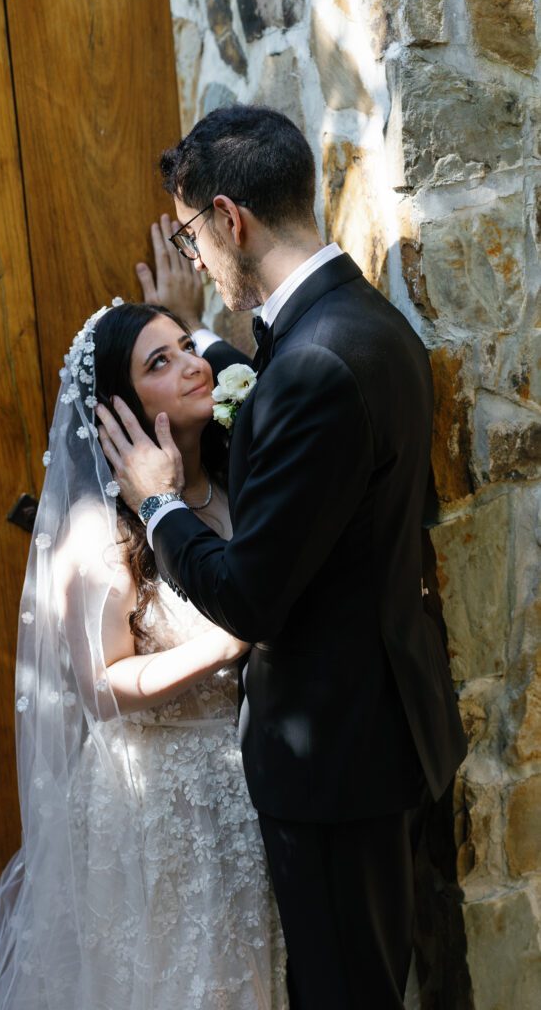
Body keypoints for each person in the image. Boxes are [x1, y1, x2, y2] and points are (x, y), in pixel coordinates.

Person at [97, 104, 468, 1010]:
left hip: (333, 768)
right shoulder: (370, 325)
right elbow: (291, 398)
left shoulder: (311, 367)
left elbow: (251, 598)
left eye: (192, 234)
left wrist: (154, 505)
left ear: (231, 220)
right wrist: (203, 341)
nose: (195, 257)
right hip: (384, 737)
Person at [0, 300, 287, 1009]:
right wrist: (229, 641)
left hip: (249, 794)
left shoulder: (230, 489)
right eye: (158, 363)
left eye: (187, 346)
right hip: (159, 809)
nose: (194, 365)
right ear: (118, 409)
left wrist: (196, 317)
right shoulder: (98, 532)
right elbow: (100, 684)